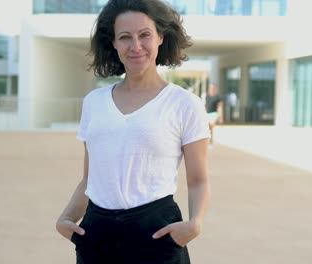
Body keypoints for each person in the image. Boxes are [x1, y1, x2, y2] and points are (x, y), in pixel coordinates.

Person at [55, 0, 210, 263]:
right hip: (97, 233)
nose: (135, 46)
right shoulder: (94, 103)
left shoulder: (185, 104)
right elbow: (89, 177)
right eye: (125, 37)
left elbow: (198, 180)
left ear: (161, 37)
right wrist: (66, 217)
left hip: (156, 233)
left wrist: (194, 225)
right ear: (113, 43)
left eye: (145, 35)